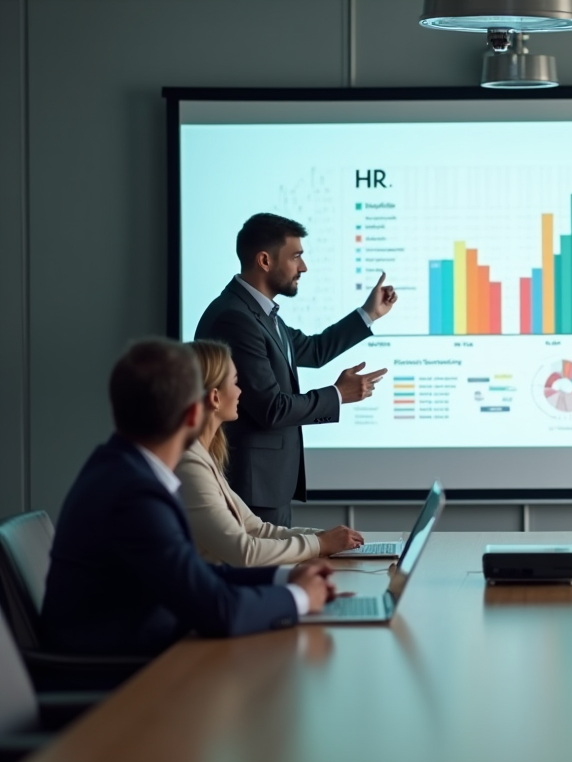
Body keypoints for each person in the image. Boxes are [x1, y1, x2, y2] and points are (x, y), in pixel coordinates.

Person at [40, 339, 337, 657]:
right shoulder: (135, 495)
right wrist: (300, 598)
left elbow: (195, 573)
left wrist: (284, 576)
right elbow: (218, 610)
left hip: (138, 656)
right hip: (113, 679)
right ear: (195, 413)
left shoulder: (121, 468)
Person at [194, 213, 398, 527]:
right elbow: (271, 408)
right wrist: (337, 395)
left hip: (269, 485)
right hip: (253, 487)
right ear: (264, 260)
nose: (303, 267)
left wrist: (369, 314)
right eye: (296, 256)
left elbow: (314, 350)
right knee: (263, 572)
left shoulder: (261, 314)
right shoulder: (235, 319)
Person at [176, 340, 365, 566]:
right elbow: (244, 551)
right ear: (215, 397)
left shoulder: (202, 457)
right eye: (236, 382)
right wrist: (320, 543)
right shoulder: (189, 465)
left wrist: (326, 539)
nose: (240, 392)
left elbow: (257, 529)